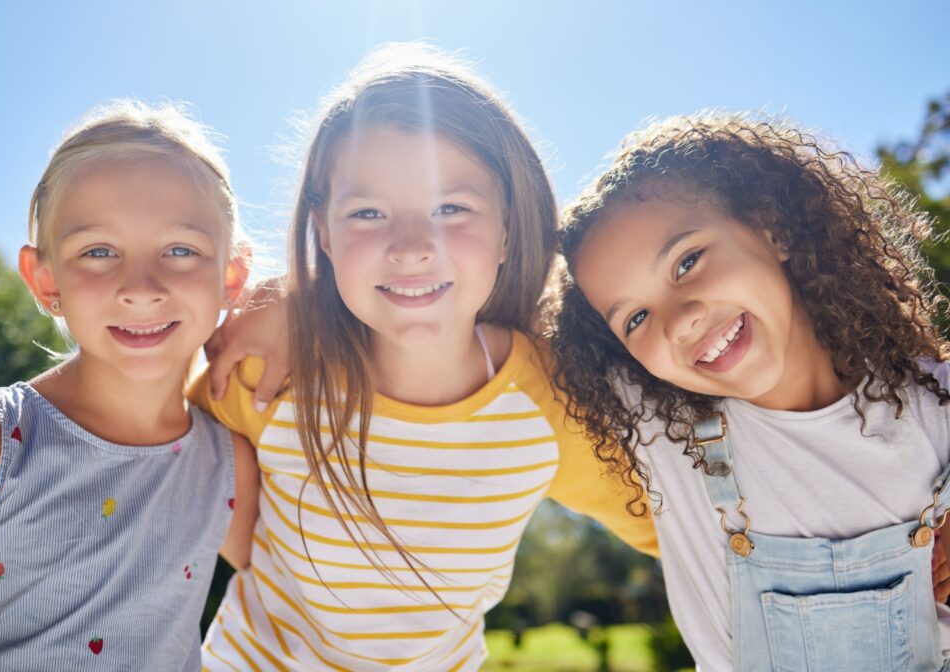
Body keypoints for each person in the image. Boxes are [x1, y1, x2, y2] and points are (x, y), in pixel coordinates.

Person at [191, 45, 658, 671]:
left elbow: (681, 530)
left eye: (451, 208)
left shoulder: (550, 401)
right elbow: (165, 459)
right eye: (367, 213)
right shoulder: (268, 369)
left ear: (508, 230)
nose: (411, 247)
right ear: (323, 233)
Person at [550, 112, 950, 671]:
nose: (679, 322)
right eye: (636, 318)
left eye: (687, 261)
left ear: (772, 229)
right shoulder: (660, 431)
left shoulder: (939, 409)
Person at [0, 101, 259, 671]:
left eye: (180, 250)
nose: (141, 287)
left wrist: (290, 311)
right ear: (44, 280)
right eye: (98, 251)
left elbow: (314, 585)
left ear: (231, 278)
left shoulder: (228, 463)